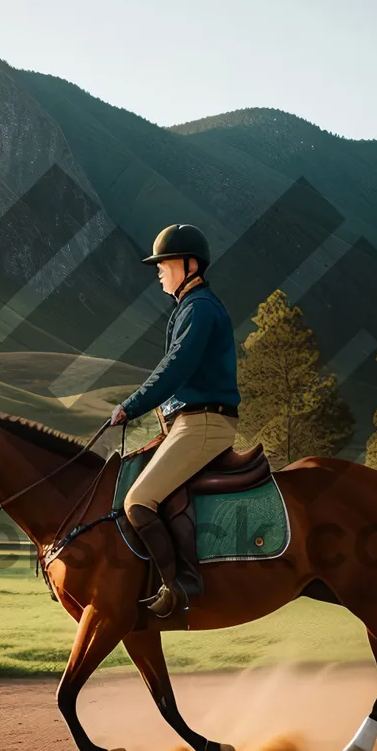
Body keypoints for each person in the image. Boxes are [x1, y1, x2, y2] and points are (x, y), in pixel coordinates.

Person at [110, 223, 241, 618]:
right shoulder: (191, 307)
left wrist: (129, 406)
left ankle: (179, 584)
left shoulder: (199, 309)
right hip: (188, 424)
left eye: (164, 264)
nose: (159, 272)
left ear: (189, 265)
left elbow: (174, 368)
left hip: (202, 425)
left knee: (138, 501)